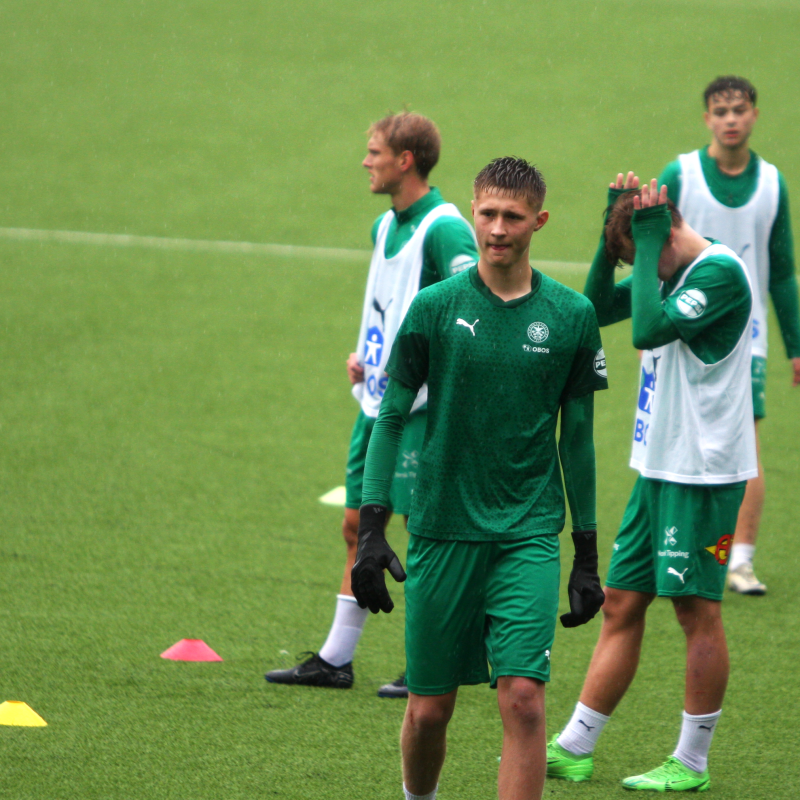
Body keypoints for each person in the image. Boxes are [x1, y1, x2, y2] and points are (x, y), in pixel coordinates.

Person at [351, 157, 608, 800]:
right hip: (441, 530)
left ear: (539, 221)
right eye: (487, 214)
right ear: (474, 213)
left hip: (527, 533)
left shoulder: (572, 316)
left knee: (522, 700)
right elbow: (390, 418)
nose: (497, 229)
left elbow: (576, 440)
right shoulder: (435, 308)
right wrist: (374, 528)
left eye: (513, 217)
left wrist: (585, 552)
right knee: (428, 710)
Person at [546, 174, 757, 792]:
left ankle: (691, 762)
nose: (637, 273)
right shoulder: (666, 269)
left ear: (662, 237)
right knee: (622, 604)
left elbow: (642, 331)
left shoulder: (719, 275)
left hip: (703, 474)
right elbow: (591, 310)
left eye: (639, 261)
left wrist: (640, 242)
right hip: (659, 467)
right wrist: (609, 232)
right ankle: (576, 746)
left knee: (696, 610)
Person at [265, 112, 478, 696]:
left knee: (424, 531)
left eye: (375, 151)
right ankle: (336, 659)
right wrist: (368, 355)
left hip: (423, 411)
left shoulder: (446, 230)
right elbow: (390, 304)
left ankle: (433, 662)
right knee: (358, 525)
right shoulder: (384, 226)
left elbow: (472, 310)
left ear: (405, 160)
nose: (366, 161)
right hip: (377, 404)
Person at [659, 75, 800, 595]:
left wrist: (797, 345)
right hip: (685, 326)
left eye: (740, 110)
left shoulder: (772, 184)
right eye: (721, 111)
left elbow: (782, 270)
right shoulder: (683, 173)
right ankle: (675, 542)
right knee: (676, 432)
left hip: (749, 338)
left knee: (745, 443)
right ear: (707, 119)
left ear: (755, 114)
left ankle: (738, 559)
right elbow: (654, 242)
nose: (731, 119)